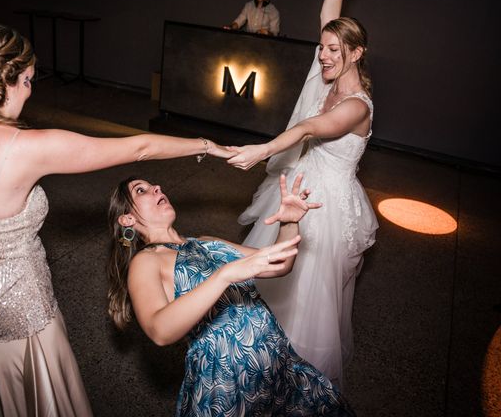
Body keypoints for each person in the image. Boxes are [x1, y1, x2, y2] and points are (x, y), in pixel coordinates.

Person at [0, 23, 232, 416]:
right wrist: (208, 146)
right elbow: (139, 148)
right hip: (21, 310)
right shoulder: (24, 148)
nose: (30, 89)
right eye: (28, 80)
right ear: (12, 78)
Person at [226, 0, 377, 390]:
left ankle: (297, 378)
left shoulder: (357, 105)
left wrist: (260, 151)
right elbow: (327, 16)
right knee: (275, 271)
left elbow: (309, 129)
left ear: (356, 52)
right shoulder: (325, 74)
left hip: (327, 203)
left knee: (309, 290)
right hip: (302, 185)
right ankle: (260, 349)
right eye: (322, 47)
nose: (323, 55)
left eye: (334, 49)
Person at [107, 174, 356, 416]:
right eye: (141, 190)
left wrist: (289, 222)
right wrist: (224, 275)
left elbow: (280, 264)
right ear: (127, 219)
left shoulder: (206, 241)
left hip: (277, 363)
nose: (157, 188)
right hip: (227, 380)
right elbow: (159, 330)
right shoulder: (146, 261)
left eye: (153, 185)